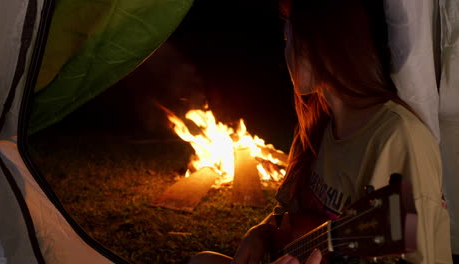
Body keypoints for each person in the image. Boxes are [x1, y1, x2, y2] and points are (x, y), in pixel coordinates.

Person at [189, 0, 452, 263]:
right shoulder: (319, 123)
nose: (286, 53)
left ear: (322, 47)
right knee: (201, 260)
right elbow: (285, 215)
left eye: (288, 38)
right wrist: (261, 233)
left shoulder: (399, 137)